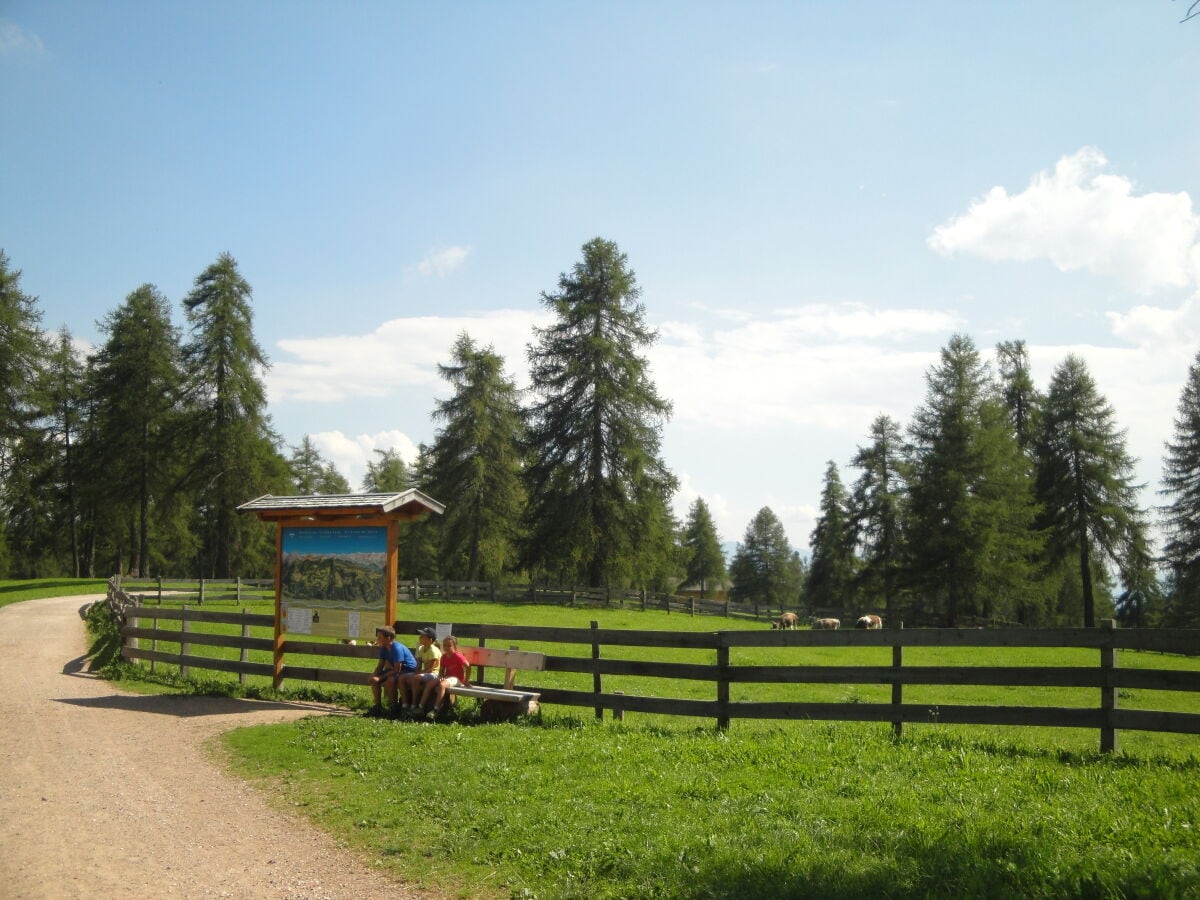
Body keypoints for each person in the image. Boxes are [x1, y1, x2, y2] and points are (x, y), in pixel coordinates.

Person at [365, 625, 416, 717]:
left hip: (407, 671)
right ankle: (378, 707)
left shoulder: (397, 648)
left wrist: (380, 677)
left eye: (380, 637)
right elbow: (380, 666)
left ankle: (394, 708)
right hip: (396, 670)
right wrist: (374, 675)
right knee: (374, 681)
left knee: (390, 681)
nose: (377, 639)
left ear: (388, 638)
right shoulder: (384, 648)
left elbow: (397, 669)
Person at [417, 633, 470, 718]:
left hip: (457, 679)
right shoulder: (444, 657)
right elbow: (441, 670)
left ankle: (436, 710)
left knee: (442, 685)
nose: (446, 647)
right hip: (447, 678)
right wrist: (441, 675)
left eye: (449, 646)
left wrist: (466, 681)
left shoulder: (457, 656)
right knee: (430, 683)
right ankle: (420, 706)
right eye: (444, 645)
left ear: (455, 647)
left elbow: (468, 666)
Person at [400, 626, 442, 718]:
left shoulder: (433, 650)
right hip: (424, 673)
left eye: (423, 636)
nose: (420, 637)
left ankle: (414, 705)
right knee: (402, 678)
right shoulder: (421, 648)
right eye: (420, 635)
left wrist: (418, 674)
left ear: (430, 640)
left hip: (434, 674)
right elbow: (418, 664)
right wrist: (417, 671)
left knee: (416, 678)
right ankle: (404, 704)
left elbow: (431, 668)